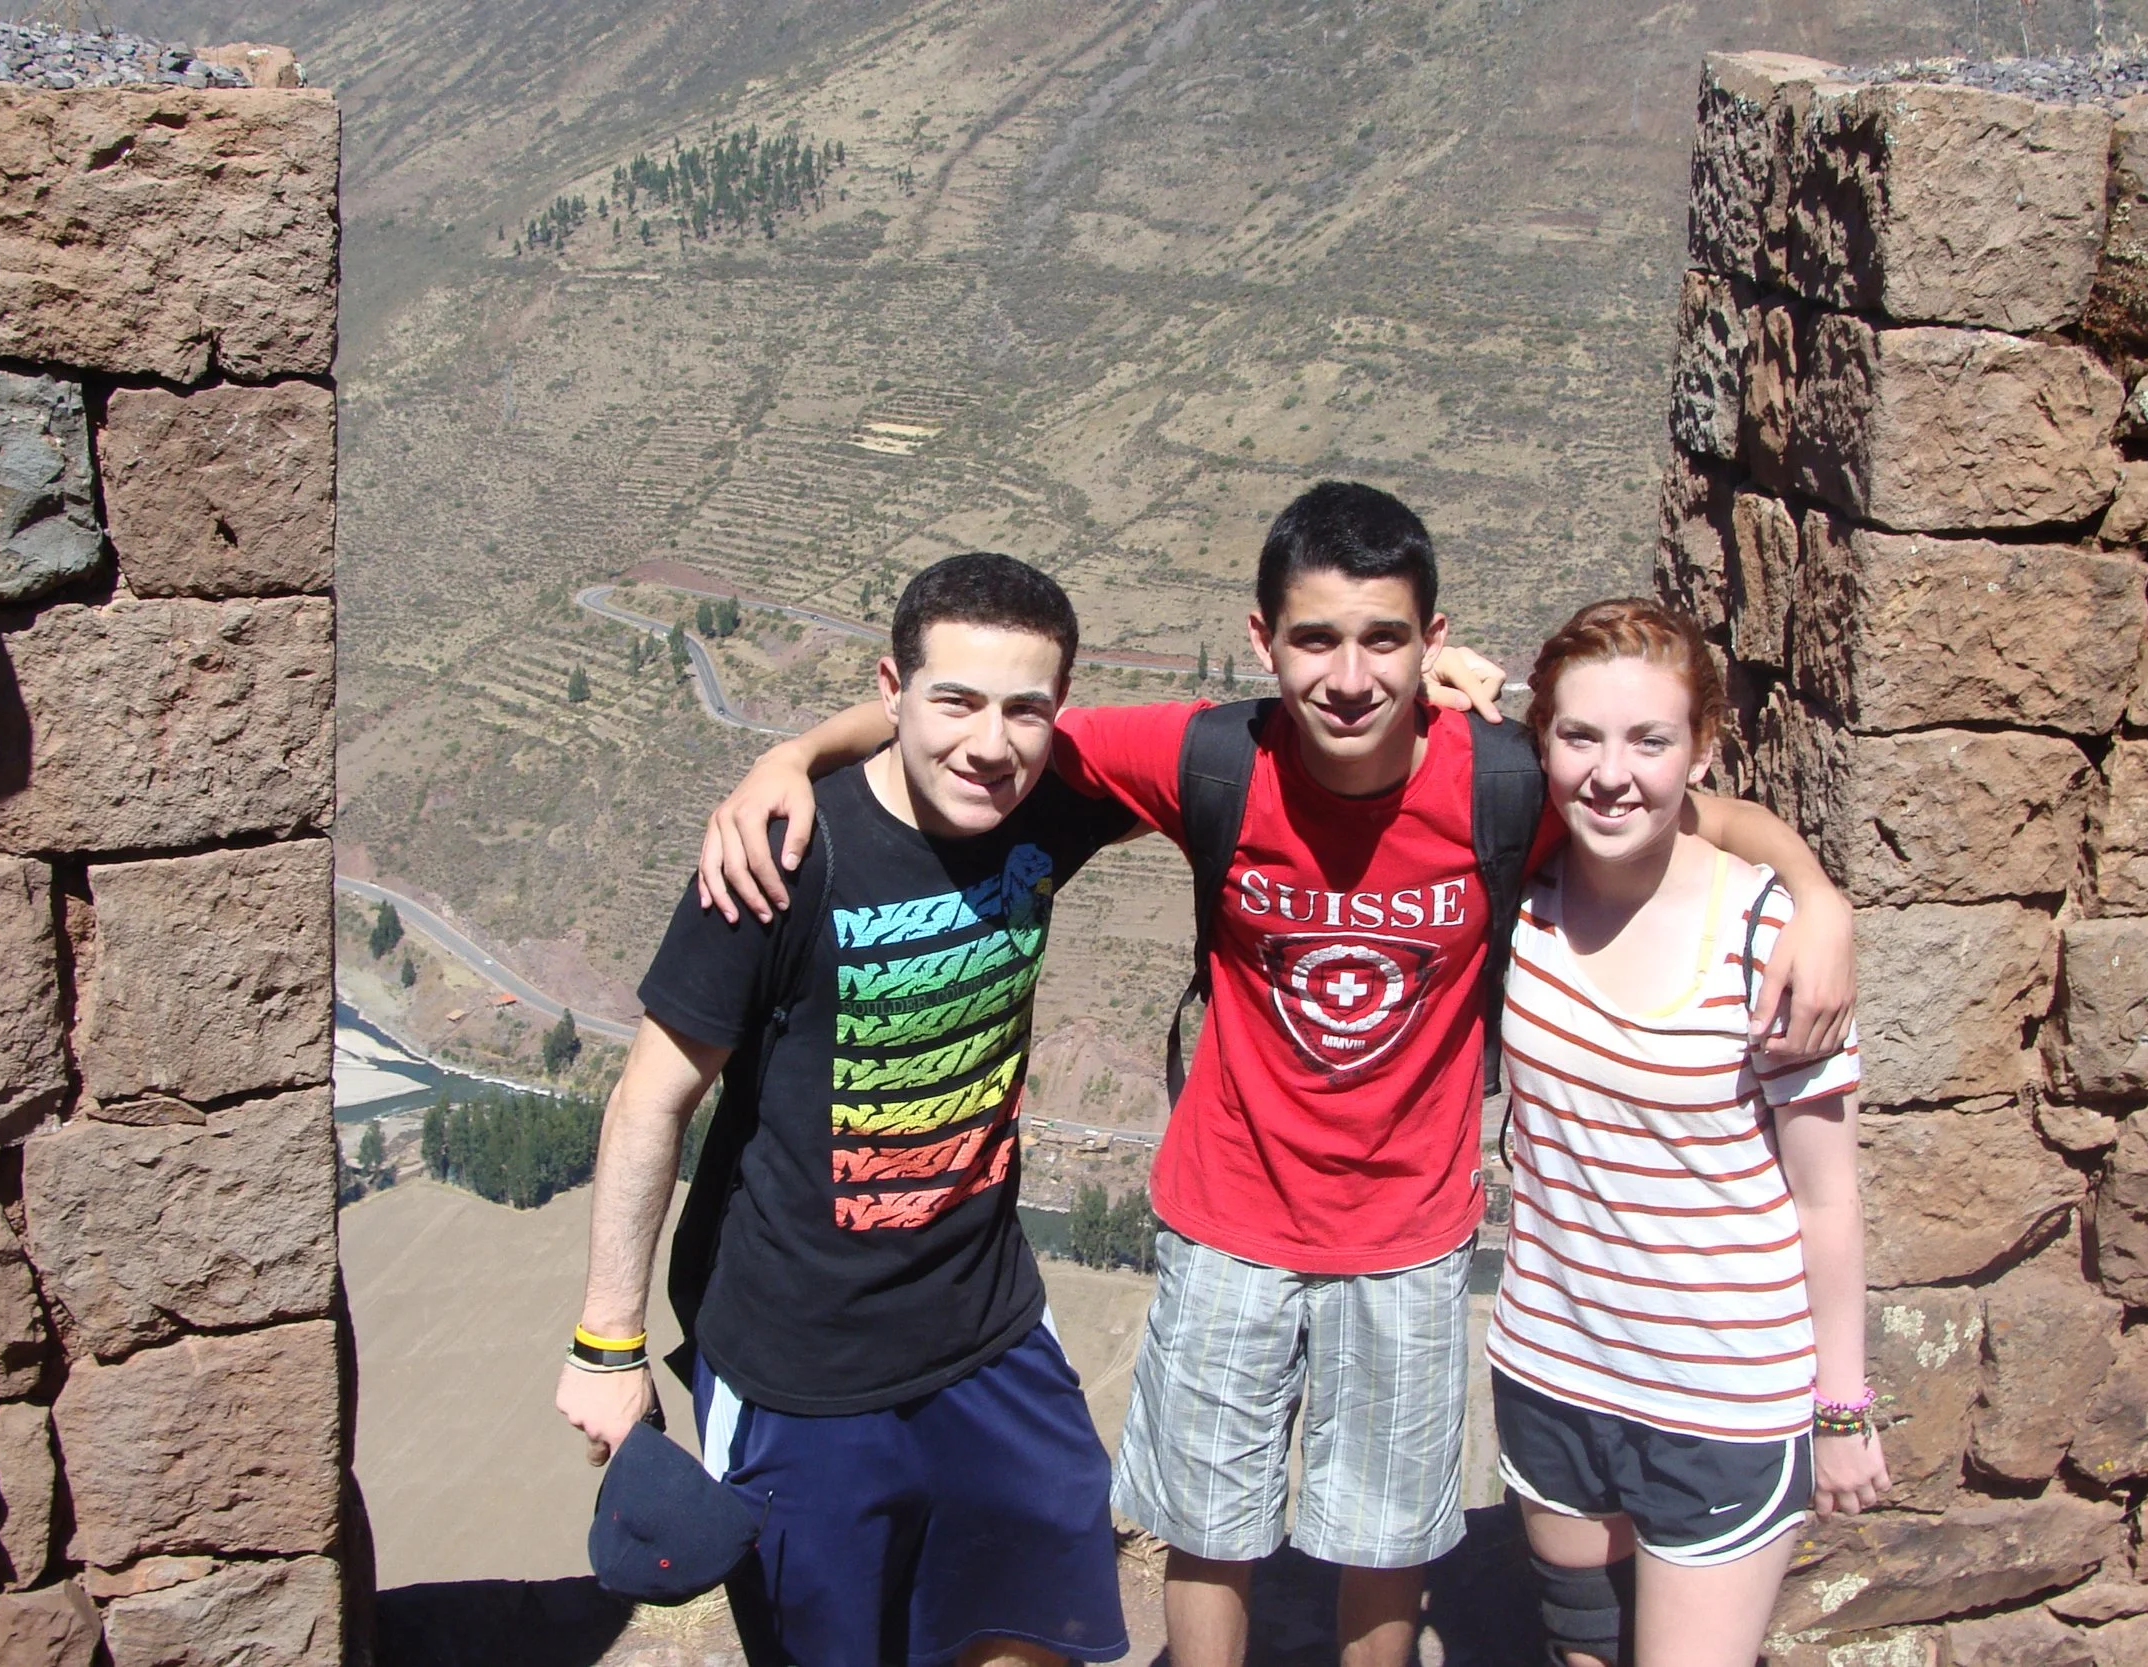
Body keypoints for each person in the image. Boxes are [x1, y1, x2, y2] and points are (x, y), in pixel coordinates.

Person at [695, 483, 1857, 1667]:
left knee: (1384, 1539)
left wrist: (1816, 893)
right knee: (1208, 1529)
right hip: (1226, 1217)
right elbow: (990, 714)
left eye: (1384, 639)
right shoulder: (1210, 755)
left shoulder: (1500, 780)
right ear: (1262, 641)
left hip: (1407, 1233)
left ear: (1432, 643)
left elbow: (1686, 808)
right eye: (1313, 637)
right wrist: (789, 753)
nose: (1348, 675)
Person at [555, 553, 1140, 1667]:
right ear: (891, 688)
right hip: (801, 1367)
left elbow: (1262, 739)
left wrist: (1435, 685)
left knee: (1034, 1628)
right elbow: (652, 1096)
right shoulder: (783, 854)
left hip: (989, 1330)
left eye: (1026, 709)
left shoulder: (1049, 809)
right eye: (954, 699)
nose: (988, 742)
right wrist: (605, 1340)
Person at [1489, 598, 1887, 1667]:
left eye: (1649, 740)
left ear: (1702, 750)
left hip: (1719, 1394)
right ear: (1540, 742)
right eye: (1579, 736)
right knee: (1580, 1651)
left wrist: (1841, 1407)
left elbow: (1824, 1194)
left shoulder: (1767, 934)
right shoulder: (1516, 889)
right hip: (1549, 1367)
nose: (1610, 772)